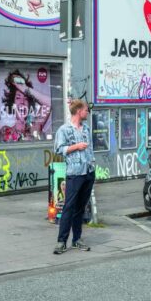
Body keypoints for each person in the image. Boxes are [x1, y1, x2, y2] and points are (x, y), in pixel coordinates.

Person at [53, 99, 95, 254]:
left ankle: (77, 239)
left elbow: (91, 149)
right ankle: (61, 242)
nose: (87, 112)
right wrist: (76, 146)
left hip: (88, 172)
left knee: (80, 208)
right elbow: (59, 149)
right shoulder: (64, 130)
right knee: (69, 207)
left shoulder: (86, 129)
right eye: (85, 110)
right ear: (79, 111)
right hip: (74, 174)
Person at [0, 69, 52, 142]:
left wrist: (25, 89)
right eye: (18, 98)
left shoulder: (35, 127)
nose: (22, 102)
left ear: (29, 104)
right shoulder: (5, 131)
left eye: (26, 98)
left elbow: (49, 103)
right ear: (12, 103)